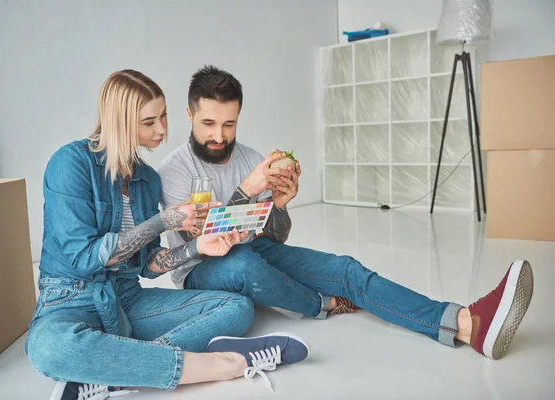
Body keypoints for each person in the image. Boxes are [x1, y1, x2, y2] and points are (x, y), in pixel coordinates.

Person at [158, 65, 534, 361]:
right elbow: (201, 244)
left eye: (229, 123)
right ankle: (320, 304)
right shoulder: (174, 171)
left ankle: (465, 324)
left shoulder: (253, 158)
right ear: (190, 114)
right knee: (242, 265)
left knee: (346, 269)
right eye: (208, 123)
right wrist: (247, 190)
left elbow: (272, 237)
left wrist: (281, 205)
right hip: (203, 272)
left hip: (254, 252)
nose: (219, 135)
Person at [25, 70, 310, 400]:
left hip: (127, 298)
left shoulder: (147, 178)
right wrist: (166, 220)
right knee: (48, 350)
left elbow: (148, 265)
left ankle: (110, 371)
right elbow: (83, 257)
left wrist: (197, 248)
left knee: (237, 308)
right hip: (71, 299)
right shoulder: (70, 163)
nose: (162, 129)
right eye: (149, 122)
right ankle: (225, 364)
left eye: (163, 116)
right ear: (119, 121)